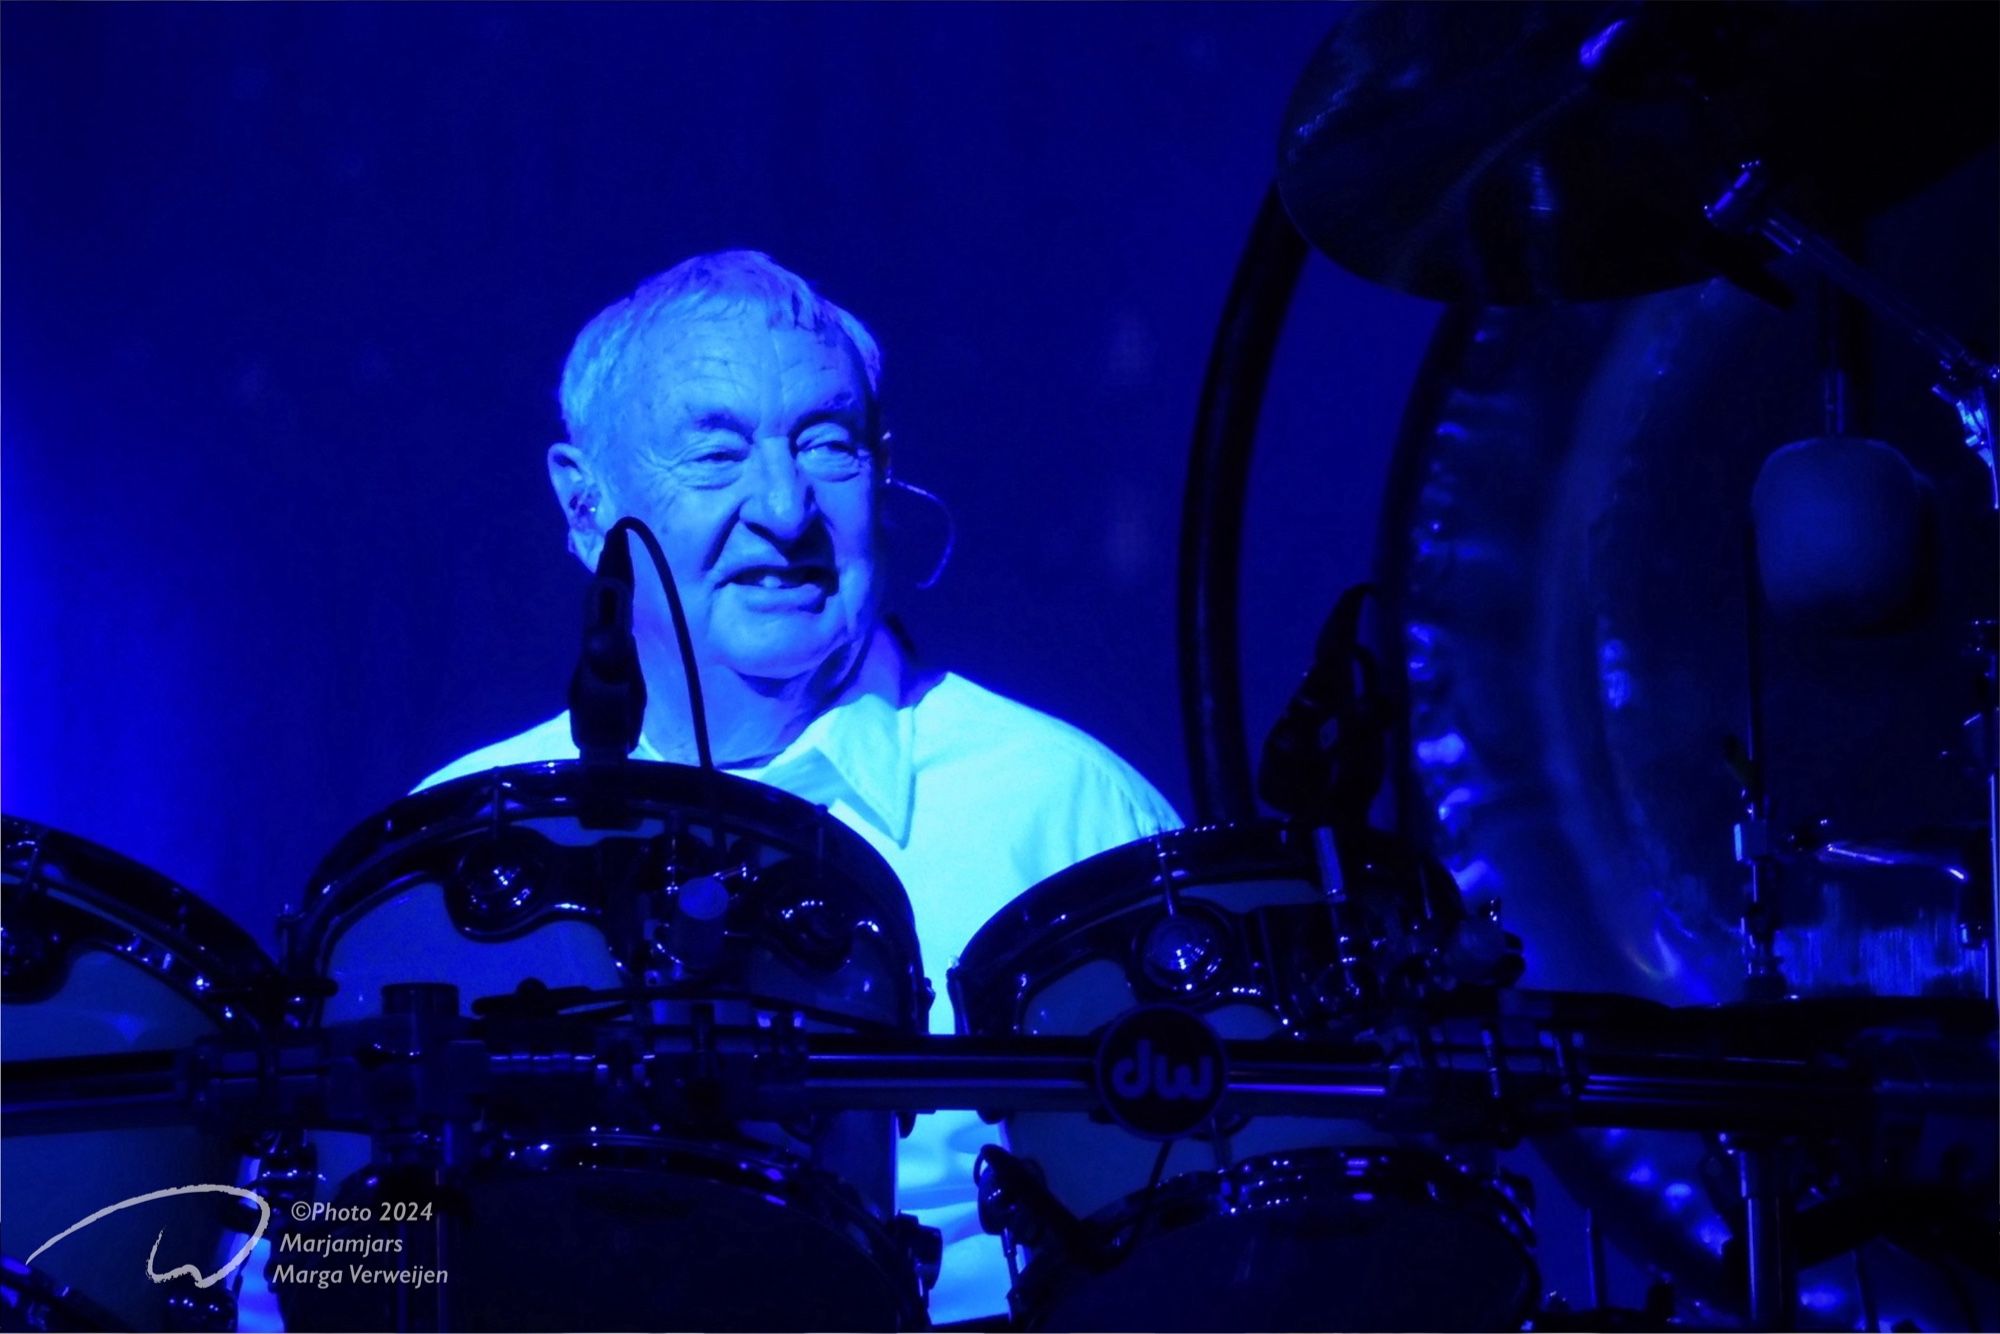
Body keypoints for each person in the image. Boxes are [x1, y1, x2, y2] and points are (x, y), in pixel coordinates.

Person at [418, 250, 1181, 1323]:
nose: (784, 506)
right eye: (716, 451)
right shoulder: (453, 849)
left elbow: (1202, 1252)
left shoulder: (1063, 815)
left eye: (826, 444)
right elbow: (311, 1255)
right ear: (586, 505)